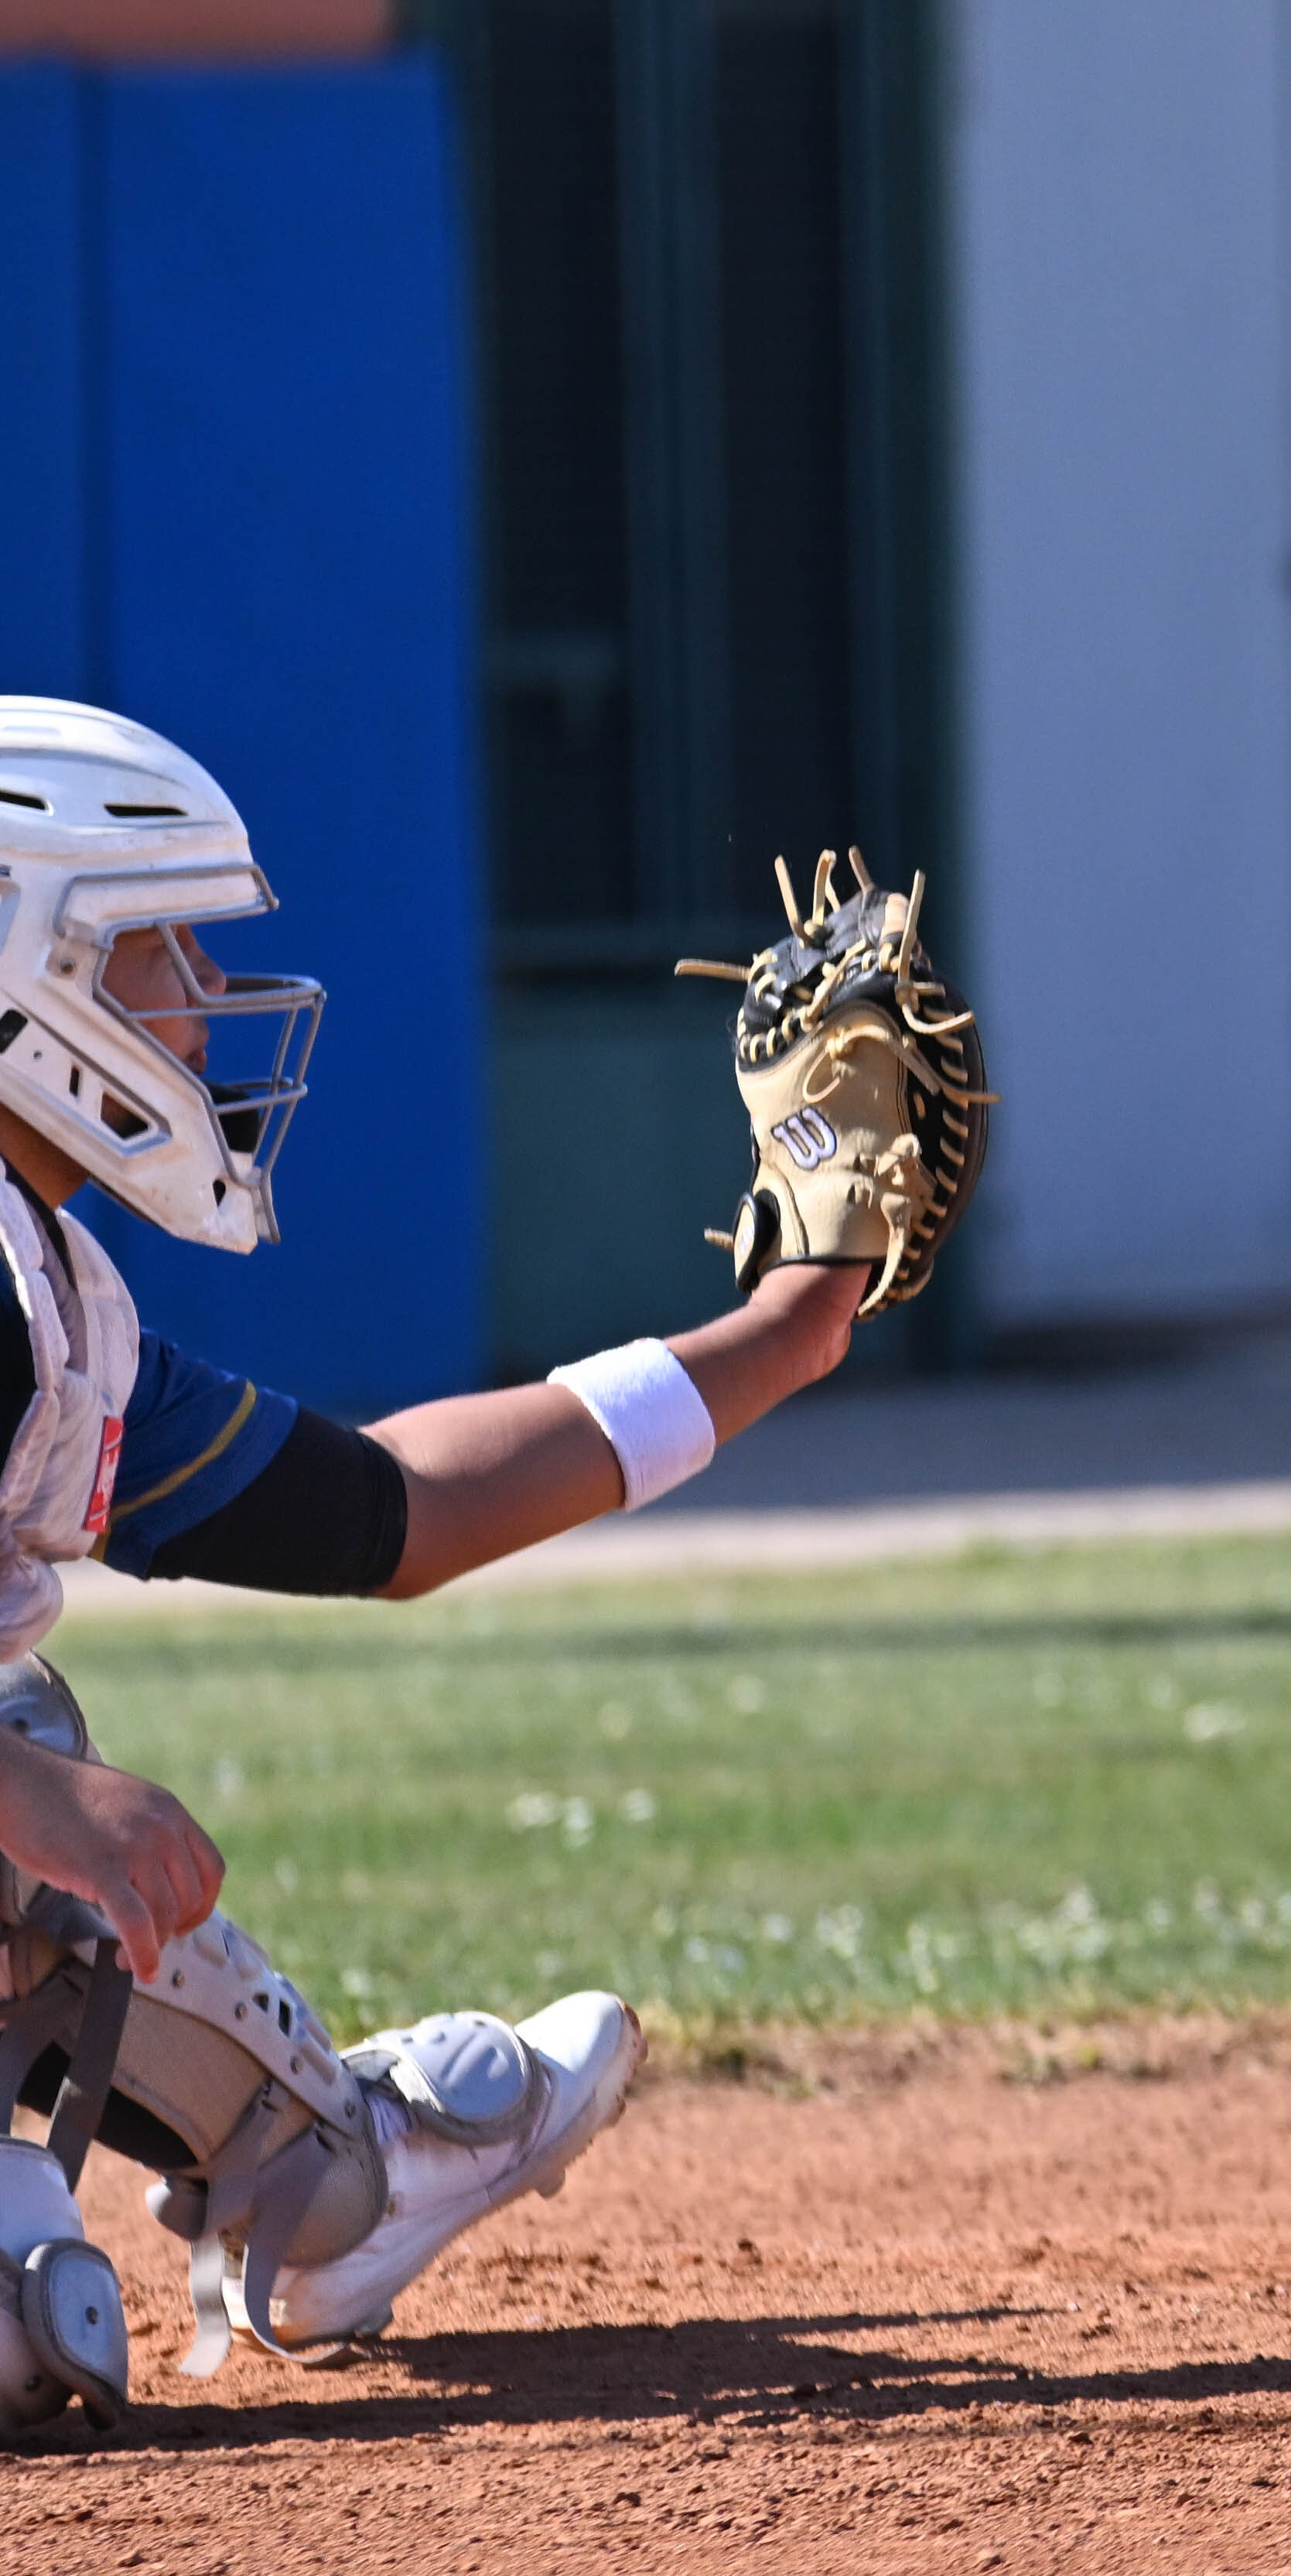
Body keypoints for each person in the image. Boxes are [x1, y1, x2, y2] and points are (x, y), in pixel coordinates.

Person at [0, 699, 873, 2422]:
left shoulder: (49, 1293)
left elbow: (393, 1505)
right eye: (157, 941)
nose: (197, 995)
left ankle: (327, 2158)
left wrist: (787, 1331)